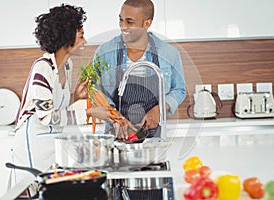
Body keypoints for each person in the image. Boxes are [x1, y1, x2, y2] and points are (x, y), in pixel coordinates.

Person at [11, 4, 119, 192]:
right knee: (34, 189)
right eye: (81, 35)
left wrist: (75, 97)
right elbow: (46, 116)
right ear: (67, 37)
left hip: (51, 138)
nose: (84, 41)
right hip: (34, 140)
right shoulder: (42, 69)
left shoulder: (65, 67)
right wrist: (89, 112)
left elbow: (57, 108)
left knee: (53, 189)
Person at [93, 0, 186, 139]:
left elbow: (179, 89)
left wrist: (159, 109)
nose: (123, 26)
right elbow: (93, 88)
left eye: (129, 22)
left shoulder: (168, 53)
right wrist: (114, 116)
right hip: (115, 136)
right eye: (121, 20)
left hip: (155, 138)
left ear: (147, 23)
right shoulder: (104, 52)